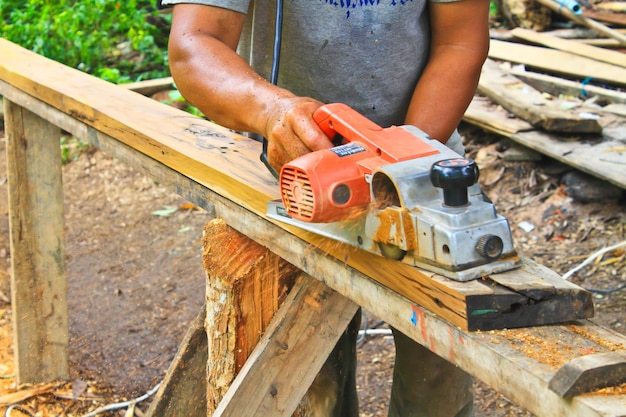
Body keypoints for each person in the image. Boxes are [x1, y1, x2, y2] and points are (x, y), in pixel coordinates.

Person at [163, 1, 490, 416]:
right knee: (309, 373)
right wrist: (272, 111)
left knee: (438, 367)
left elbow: (459, 41)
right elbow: (194, 43)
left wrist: (402, 161)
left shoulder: (416, 161)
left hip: (426, 162)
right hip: (292, 169)